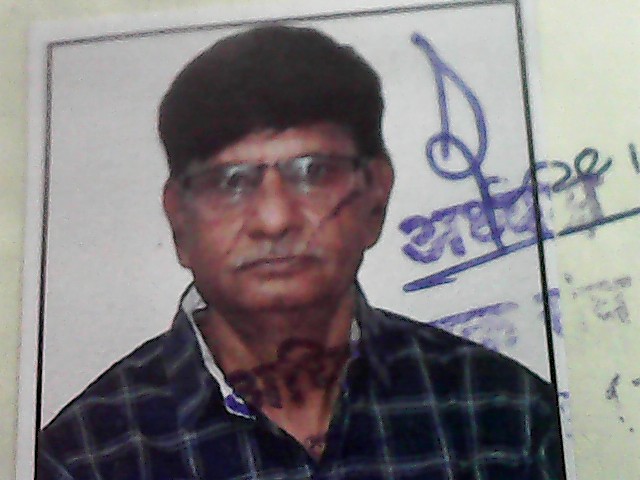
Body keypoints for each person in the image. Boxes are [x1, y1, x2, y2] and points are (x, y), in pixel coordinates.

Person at [38, 25, 564, 479]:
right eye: (230, 181)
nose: (275, 219)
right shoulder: (84, 456)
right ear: (178, 218)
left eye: (313, 172)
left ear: (375, 196)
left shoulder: (509, 416)